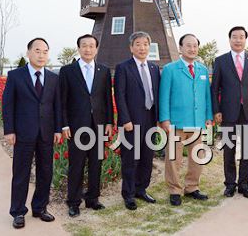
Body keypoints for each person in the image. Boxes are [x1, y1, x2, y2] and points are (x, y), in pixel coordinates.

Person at [2, 38, 62, 229]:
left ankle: (40, 208)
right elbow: (7, 104)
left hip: (46, 133)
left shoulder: (53, 78)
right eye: (37, 51)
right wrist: (9, 130)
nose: (41, 55)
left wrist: (58, 129)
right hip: (22, 133)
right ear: (28, 53)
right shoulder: (15, 76)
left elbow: (57, 106)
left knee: (46, 172)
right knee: (21, 174)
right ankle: (18, 211)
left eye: (45, 51)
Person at [59, 34, 113, 217]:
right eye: (84, 46)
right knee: (77, 164)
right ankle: (73, 202)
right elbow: (62, 100)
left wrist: (109, 123)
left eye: (91, 46)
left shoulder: (103, 71)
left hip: (98, 125)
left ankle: (92, 199)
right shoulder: (67, 71)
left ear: (96, 49)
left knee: (96, 163)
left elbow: (107, 99)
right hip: (76, 126)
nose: (88, 49)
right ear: (79, 48)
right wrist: (64, 125)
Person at [212, 26, 248, 198]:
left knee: (246, 149)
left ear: (245, 39)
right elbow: (215, 89)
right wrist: (216, 110)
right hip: (228, 112)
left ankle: (244, 183)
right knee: (229, 148)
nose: (238, 40)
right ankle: (230, 184)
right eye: (234, 37)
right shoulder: (220, 60)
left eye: (241, 37)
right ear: (229, 40)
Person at [159, 34, 213, 206]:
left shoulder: (203, 70)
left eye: (195, 46)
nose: (192, 49)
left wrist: (209, 116)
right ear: (180, 48)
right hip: (176, 122)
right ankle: (174, 190)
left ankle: (192, 187)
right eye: (188, 46)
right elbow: (164, 96)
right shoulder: (170, 69)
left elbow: (207, 96)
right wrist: (164, 119)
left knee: (198, 156)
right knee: (173, 158)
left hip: (198, 121)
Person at [114, 32, 160, 210]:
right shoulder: (123, 67)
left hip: (150, 119)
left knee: (147, 157)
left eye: (145, 44)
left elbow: (157, 94)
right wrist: (125, 119)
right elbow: (120, 94)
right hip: (131, 122)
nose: (142, 48)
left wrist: (158, 119)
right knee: (131, 159)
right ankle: (129, 194)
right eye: (138, 44)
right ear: (131, 47)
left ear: (150, 46)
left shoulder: (155, 68)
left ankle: (142, 189)